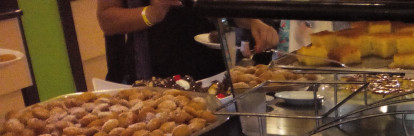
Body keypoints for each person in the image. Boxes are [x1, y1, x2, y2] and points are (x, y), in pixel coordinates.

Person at [97, 0, 279, 82]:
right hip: (157, 80)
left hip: (217, 77)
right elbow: (107, 19)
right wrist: (151, 14)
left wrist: (253, 22)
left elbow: (221, 6)